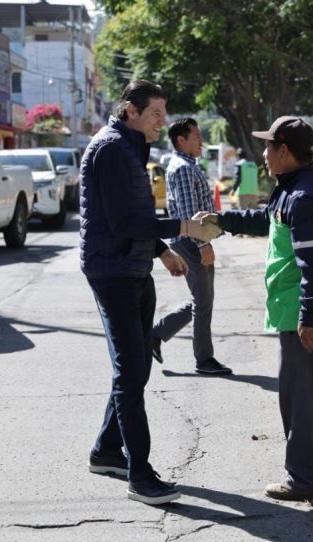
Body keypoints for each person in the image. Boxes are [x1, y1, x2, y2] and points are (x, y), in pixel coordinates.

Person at [201, 116, 313, 502]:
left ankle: (304, 479)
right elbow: (270, 222)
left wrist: (309, 318)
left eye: (269, 146)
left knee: (302, 400)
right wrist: (223, 220)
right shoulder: (302, 185)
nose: (264, 154)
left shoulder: (302, 197)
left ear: (284, 151)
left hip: (309, 316)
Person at [80, 80, 220, 506]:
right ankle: (139, 476)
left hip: (134, 265)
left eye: (163, 112)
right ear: (130, 110)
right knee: (130, 372)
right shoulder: (111, 149)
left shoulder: (131, 146)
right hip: (113, 270)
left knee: (136, 367)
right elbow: (122, 224)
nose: (163, 121)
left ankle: (106, 451)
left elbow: (135, 216)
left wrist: (161, 251)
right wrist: (183, 230)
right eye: (156, 113)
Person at [151, 118, 232, 376]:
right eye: (196, 136)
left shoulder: (185, 165)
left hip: (189, 240)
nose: (201, 140)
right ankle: (204, 360)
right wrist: (202, 243)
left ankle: (155, 336)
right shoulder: (183, 168)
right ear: (181, 140)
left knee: (201, 299)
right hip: (190, 241)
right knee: (203, 302)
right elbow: (189, 212)